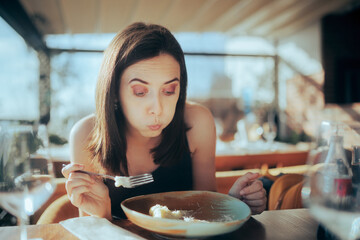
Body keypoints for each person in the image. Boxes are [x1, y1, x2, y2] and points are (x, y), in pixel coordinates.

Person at [61, 22, 266, 220]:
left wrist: (233, 204)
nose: (157, 108)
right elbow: (90, 231)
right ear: (114, 91)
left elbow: (207, 212)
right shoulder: (85, 135)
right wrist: (101, 213)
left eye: (169, 91)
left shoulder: (197, 123)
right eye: (140, 92)